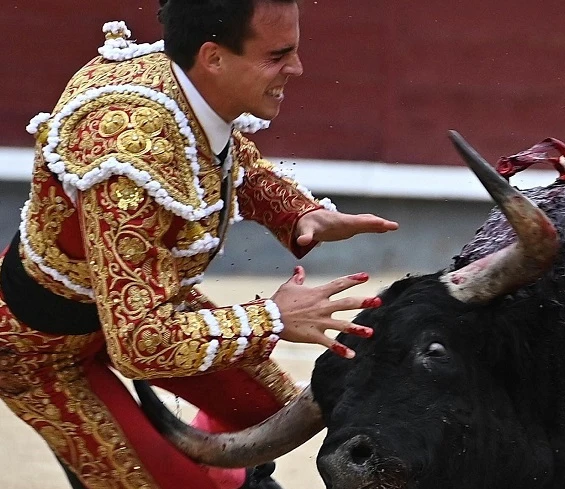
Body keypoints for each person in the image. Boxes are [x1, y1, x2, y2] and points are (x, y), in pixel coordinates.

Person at [0, 0, 399, 488]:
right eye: (277, 55)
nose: (296, 68)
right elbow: (140, 343)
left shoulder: (182, 82)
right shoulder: (129, 160)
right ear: (213, 57)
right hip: (43, 349)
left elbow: (225, 156)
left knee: (273, 414)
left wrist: (298, 211)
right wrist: (273, 319)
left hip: (140, 298)